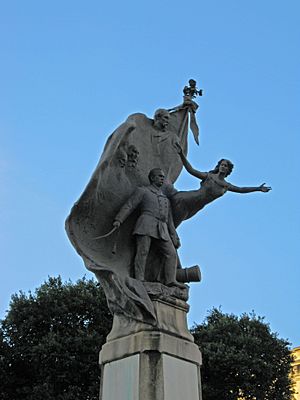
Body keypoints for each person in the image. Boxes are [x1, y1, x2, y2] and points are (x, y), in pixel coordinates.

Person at [113, 168, 185, 288]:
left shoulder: (165, 199)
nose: (162, 178)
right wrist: (119, 219)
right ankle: (139, 279)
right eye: (159, 176)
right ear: (152, 178)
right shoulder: (143, 191)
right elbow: (130, 205)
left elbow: (169, 221)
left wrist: (174, 235)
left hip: (162, 228)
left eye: (163, 177)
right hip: (146, 224)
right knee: (143, 252)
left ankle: (170, 280)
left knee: (171, 253)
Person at [171, 144, 271, 227]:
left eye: (225, 166)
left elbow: (241, 189)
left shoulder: (226, 186)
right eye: (222, 165)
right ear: (219, 166)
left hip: (197, 206)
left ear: (228, 169)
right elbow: (191, 170)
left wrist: (258, 188)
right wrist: (181, 154)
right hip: (188, 198)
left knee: (175, 223)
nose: (223, 167)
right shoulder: (209, 176)